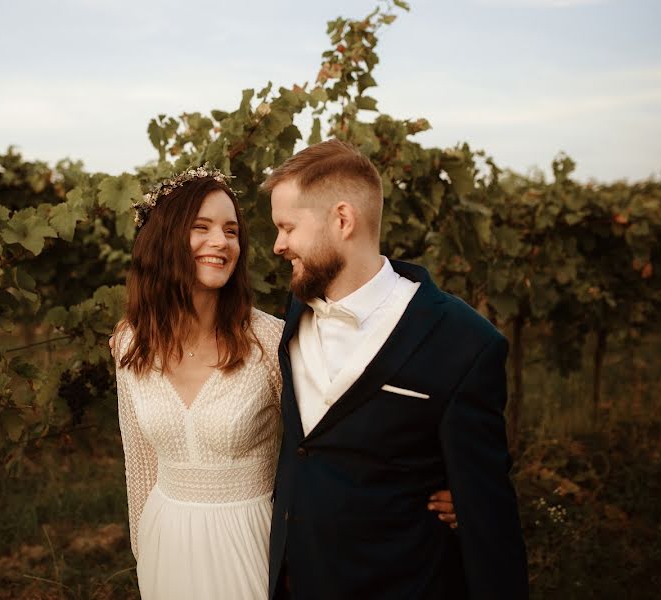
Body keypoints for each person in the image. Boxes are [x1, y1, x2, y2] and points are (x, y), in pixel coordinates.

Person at [111, 166, 458, 600]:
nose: (221, 242)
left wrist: (448, 484)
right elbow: (140, 464)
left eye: (231, 230)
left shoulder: (270, 341)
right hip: (167, 545)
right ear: (163, 241)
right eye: (201, 228)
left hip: (251, 543)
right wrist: (147, 555)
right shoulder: (129, 342)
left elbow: (340, 440)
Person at [264, 140, 528, 600]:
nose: (277, 245)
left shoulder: (464, 343)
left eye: (287, 227)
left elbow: (490, 521)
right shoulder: (296, 312)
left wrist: (469, 502)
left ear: (342, 220)